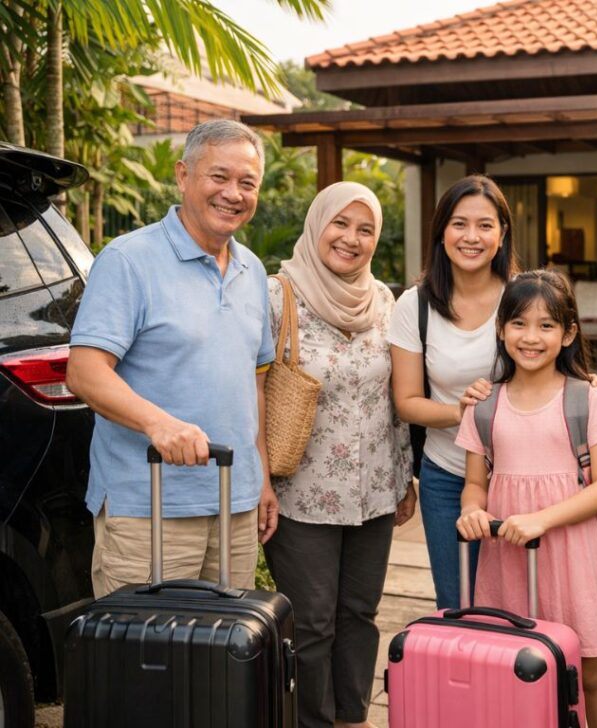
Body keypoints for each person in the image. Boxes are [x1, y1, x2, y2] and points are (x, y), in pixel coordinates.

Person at [66, 119, 279, 597]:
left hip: (235, 504)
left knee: (225, 662)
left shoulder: (253, 269)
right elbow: (83, 372)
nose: (233, 193)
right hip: (150, 507)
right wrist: (159, 424)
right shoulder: (128, 259)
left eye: (248, 183)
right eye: (218, 177)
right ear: (183, 176)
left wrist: (260, 476)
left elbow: (254, 384)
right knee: (147, 665)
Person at [261, 182, 416, 728]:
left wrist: (405, 475)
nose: (351, 239)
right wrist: (259, 480)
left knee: (360, 615)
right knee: (311, 624)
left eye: (365, 228)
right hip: (302, 492)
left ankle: (353, 718)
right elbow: (251, 390)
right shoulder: (277, 295)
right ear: (317, 224)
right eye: (340, 224)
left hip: (375, 490)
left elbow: (394, 395)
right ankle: (312, 721)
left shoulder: (384, 301)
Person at [455, 270, 597, 728]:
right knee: (513, 662)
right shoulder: (484, 404)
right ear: (501, 328)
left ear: (569, 333)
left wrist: (541, 519)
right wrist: (472, 511)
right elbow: (476, 482)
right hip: (507, 555)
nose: (531, 337)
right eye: (518, 323)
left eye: (546, 325)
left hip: (574, 554)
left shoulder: (586, 400)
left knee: (591, 668)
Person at [389, 175, 517, 609]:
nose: (472, 236)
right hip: (447, 476)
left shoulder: (524, 298)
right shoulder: (415, 305)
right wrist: (462, 412)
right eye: (459, 224)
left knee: (526, 605)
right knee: (460, 605)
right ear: (441, 232)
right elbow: (405, 401)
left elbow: (561, 374)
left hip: (524, 475)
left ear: (502, 234)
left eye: (485, 225)